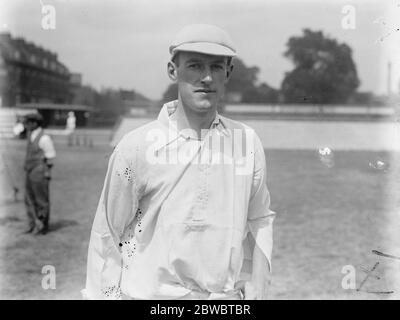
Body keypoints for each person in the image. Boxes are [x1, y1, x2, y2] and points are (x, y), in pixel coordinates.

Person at [83, 24, 276, 300]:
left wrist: (259, 283)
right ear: (173, 71)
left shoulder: (246, 142)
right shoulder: (136, 147)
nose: (207, 78)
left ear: (228, 73)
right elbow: (107, 236)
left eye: (217, 67)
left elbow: (259, 218)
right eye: (195, 66)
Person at [23, 113, 56, 235]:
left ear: (35, 123)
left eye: (27, 122)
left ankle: (42, 226)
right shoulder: (30, 134)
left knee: (41, 200)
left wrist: (46, 173)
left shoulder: (44, 138)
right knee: (29, 199)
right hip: (29, 171)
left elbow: (50, 157)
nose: (25, 125)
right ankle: (32, 225)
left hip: (39, 171)